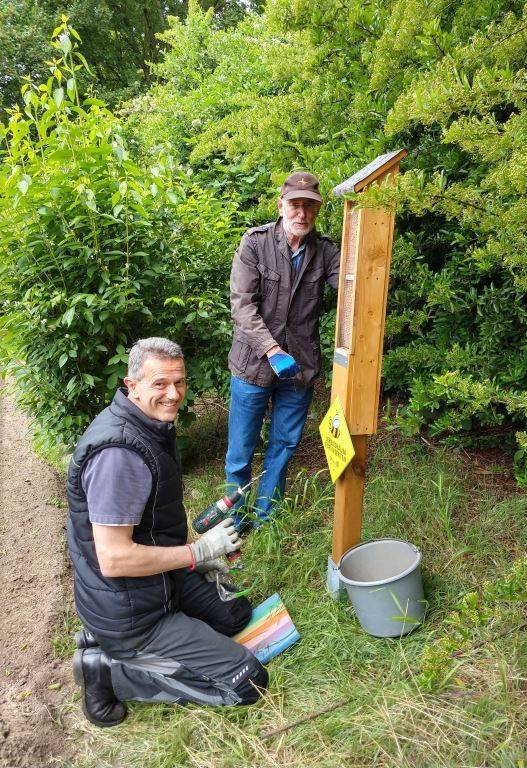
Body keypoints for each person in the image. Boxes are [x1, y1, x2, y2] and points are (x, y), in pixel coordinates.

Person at [67, 337, 268, 728]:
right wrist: (197, 552)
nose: (173, 393)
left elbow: (150, 523)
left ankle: (128, 641)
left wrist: (198, 557)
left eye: (179, 382)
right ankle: (107, 669)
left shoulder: (149, 426)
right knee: (249, 681)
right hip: (131, 612)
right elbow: (114, 558)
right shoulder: (119, 455)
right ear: (132, 385)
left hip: (152, 583)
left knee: (234, 613)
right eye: (160, 383)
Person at [226, 172, 339, 527]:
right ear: (281, 206)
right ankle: (234, 521)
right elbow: (241, 306)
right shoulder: (255, 244)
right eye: (295, 205)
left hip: (299, 370)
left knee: (284, 447)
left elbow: (355, 285)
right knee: (240, 452)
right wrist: (272, 350)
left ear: (316, 212)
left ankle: (264, 518)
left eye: (309, 206)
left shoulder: (327, 251)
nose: (302, 213)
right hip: (253, 366)